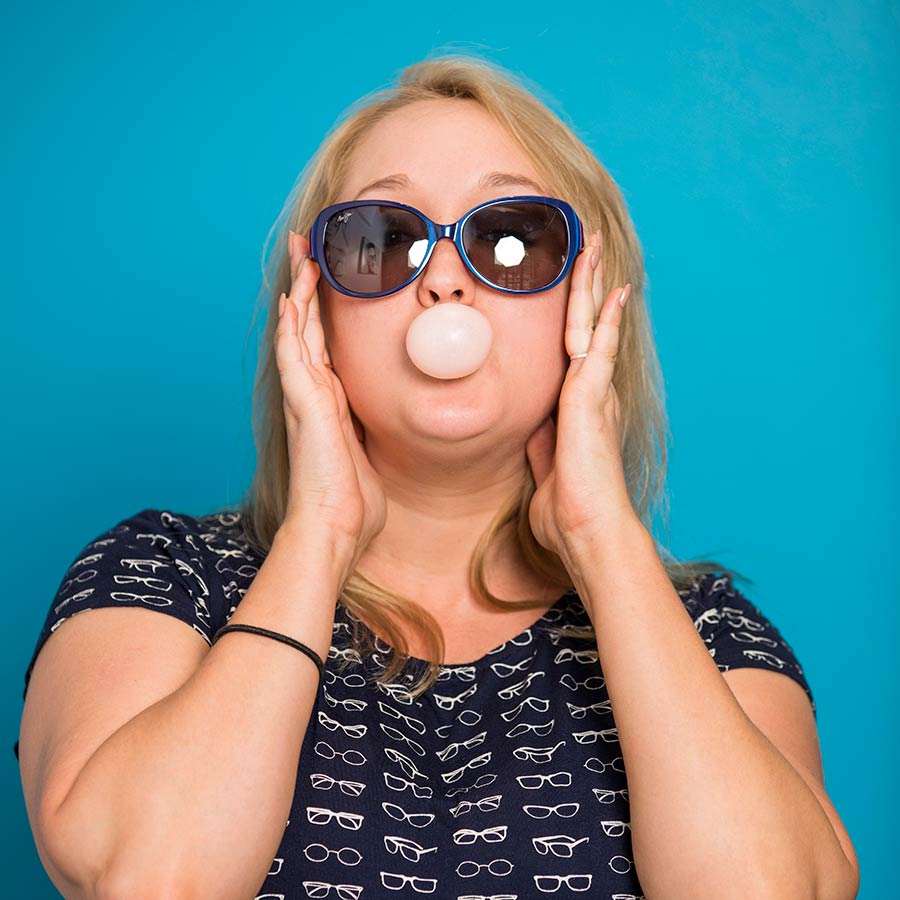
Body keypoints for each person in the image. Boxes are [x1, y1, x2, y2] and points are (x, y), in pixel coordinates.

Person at [17, 54, 859, 900]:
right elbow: (152, 877)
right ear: (314, 308)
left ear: (594, 299)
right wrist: (322, 531)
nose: (447, 281)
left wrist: (603, 541)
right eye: (383, 240)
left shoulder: (704, 629)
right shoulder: (162, 573)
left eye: (513, 239)